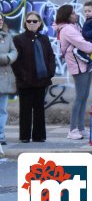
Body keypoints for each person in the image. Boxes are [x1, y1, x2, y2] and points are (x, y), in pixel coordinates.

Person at [55, 4, 92, 140]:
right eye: (73, 13)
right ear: (67, 16)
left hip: (83, 65)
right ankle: (73, 129)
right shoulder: (68, 29)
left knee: (83, 96)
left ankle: (80, 128)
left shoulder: (72, 27)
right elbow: (81, 43)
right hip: (78, 66)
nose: (76, 15)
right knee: (80, 97)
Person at [12, 12, 55, 143]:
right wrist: (23, 76)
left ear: (40, 23)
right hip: (25, 81)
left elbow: (50, 56)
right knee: (25, 109)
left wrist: (50, 72)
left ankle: (39, 136)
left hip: (41, 80)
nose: (31, 23)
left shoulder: (44, 39)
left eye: (34, 21)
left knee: (39, 109)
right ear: (25, 23)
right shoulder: (18, 39)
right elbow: (16, 61)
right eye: (29, 21)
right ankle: (25, 136)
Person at [0, 13, 17, 145]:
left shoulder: (8, 37)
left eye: (1, 19)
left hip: (4, 78)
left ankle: (0, 135)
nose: (0, 22)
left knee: (2, 109)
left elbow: (14, 51)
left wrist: (8, 58)